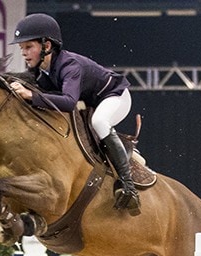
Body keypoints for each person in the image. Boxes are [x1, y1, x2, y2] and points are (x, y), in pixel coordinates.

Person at [9, 13, 139, 212]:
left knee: (100, 122)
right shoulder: (39, 70)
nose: (24, 53)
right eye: (21, 48)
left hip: (115, 96)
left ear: (46, 46)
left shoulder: (70, 66)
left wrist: (29, 94)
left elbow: (69, 102)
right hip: (90, 101)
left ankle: (128, 186)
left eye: (28, 47)